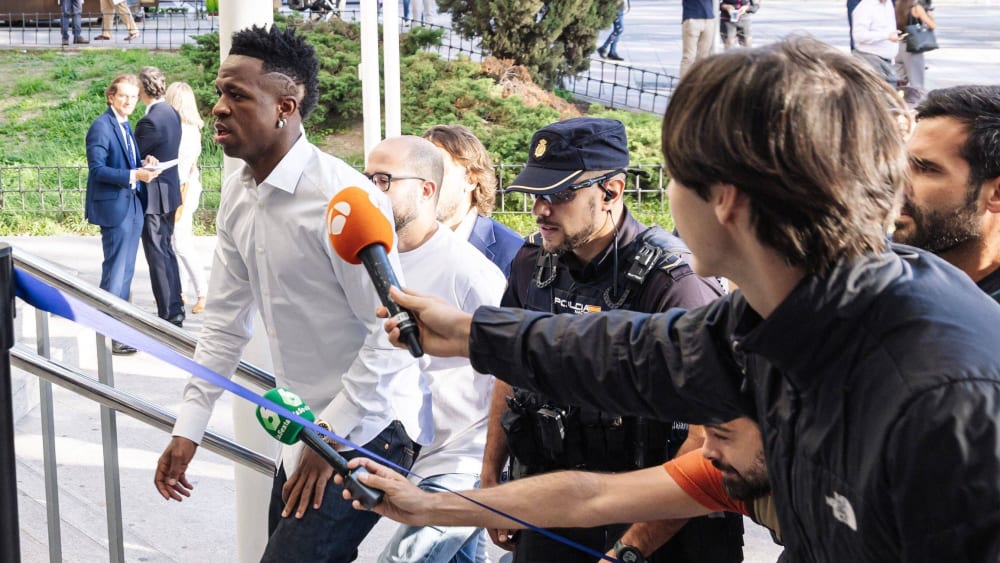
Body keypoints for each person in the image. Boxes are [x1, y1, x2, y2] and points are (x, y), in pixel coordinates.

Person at [379, 38, 1000, 561]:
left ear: (725, 198)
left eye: (676, 176)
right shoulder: (781, 309)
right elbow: (617, 352)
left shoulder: (942, 401)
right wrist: (466, 333)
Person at [153, 25, 432, 563]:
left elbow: (390, 335)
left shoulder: (343, 199)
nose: (218, 108)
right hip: (307, 429)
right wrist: (189, 427)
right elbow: (224, 324)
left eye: (237, 95)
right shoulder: (238, 193)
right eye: (219, 92)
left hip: (371, 426)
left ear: (286, 106)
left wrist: (330, 436)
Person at [479, 117, 741, 563]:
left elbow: (707, 439)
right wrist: (492, 480)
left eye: (559, 194)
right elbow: (510, 371)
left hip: (663, 519)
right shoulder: (531, 263)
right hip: (559, 502)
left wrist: (630, 549)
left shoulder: (676, 283)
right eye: (536, 194)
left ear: (611, 191)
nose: (540, 209)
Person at [365, 135, 506, 563]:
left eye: (384, 180)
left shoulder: (472, 271)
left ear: (426, 189)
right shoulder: (375, 256)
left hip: (463, 459)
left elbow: (511, 368)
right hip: (411, 448)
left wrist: (492, 469)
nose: (372, 191)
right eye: (367, 179)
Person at [341, 417, 780, 549]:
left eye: (722, 436)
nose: (705, 451)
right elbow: (589, 497)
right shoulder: (731, 469)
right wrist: (424, 506)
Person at [893, 85, 1000, 304]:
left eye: (926, 169)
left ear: (996, 194)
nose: (898, 183)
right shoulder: (877, 270)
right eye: (904, 164)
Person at [84, 74, 160, 355]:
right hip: (115, 208)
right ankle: (109, 335)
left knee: (126, 272)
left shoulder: (125, 125)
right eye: (123, 96)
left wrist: (144, 163)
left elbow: (125, 161)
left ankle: (120, 332)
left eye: (133, 96)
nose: (129, 101)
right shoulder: (101, 127)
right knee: (115, 273)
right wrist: (134, 175)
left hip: (133, 205)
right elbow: (97, 170)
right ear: (111, 97)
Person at [422, 124, 523, 276]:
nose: (425, 182)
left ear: (471, 180)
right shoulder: (401, 243)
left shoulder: (513, 253)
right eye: (420, 171)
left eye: (438, 171)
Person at [135, 66, 185, 327]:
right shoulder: (171, 112)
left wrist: (141, 162)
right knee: (166, 250)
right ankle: (176, 306)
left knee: (157, 254)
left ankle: (169, 312)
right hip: (170, 190)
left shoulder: (149, 121)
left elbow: (130, 156)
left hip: (154, 195)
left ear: (142, 89)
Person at [164, 81, 208, 315]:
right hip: (185, 187)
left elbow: (181, 169)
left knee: (181, 244)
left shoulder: (183, 132)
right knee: (176, 242)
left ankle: (203, 292)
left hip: (183, 190)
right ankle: (180, 291)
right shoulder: (191, 129)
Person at [852, 0, 904, 88]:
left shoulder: (888, 4)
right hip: (870, 60)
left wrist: (893, 35)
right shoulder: (865, 6)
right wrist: (886, 36)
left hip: (887, 62)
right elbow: (859, 35)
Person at [894, 0, 936, 107]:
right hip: (912, 46)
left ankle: (900, 103)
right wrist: (930, 16)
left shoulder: (898, 5)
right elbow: (932, 25)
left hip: (899, 44)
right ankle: (916, 106)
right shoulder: (916, 8)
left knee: (900, 80)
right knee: (917, 82)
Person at [680, 0, 715, 76]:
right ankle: (685, 82)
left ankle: (700, 81)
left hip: (708, 18)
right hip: (692, 17)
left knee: (704, 58)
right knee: (689, 57)